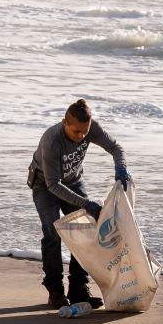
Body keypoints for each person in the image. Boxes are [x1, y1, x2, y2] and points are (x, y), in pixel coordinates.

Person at [27, 99, 131, 309]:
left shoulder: (90, 128)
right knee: (52, 234)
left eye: (85, 132)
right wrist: (86, 204)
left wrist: (121, 169)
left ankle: (78, 288)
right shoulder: (51, 140)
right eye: (76, 132)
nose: (81, 136)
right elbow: (53, 185)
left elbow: (116, 148)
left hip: (74, 182)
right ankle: (55, 290)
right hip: (45, 186)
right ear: (65, 122)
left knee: (86, 231)